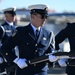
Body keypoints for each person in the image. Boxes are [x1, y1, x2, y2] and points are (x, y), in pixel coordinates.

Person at [0, 4, 58, 75]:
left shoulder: (48, 34)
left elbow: (50, 54)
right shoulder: (21, 32)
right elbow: (5, 48)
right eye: (42, 16)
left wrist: (52, 59)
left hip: (41, 72)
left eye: (46, 17)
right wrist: (16, 60)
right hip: (25, 71)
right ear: (33, 16)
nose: (45, 19)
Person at [0, 7, 17, 75]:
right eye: (12, 15)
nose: (14, 17)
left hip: (14, 59)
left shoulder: (16, 28)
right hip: (4, 59)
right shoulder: (2, 28)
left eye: (14, 15)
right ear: (6, 16)